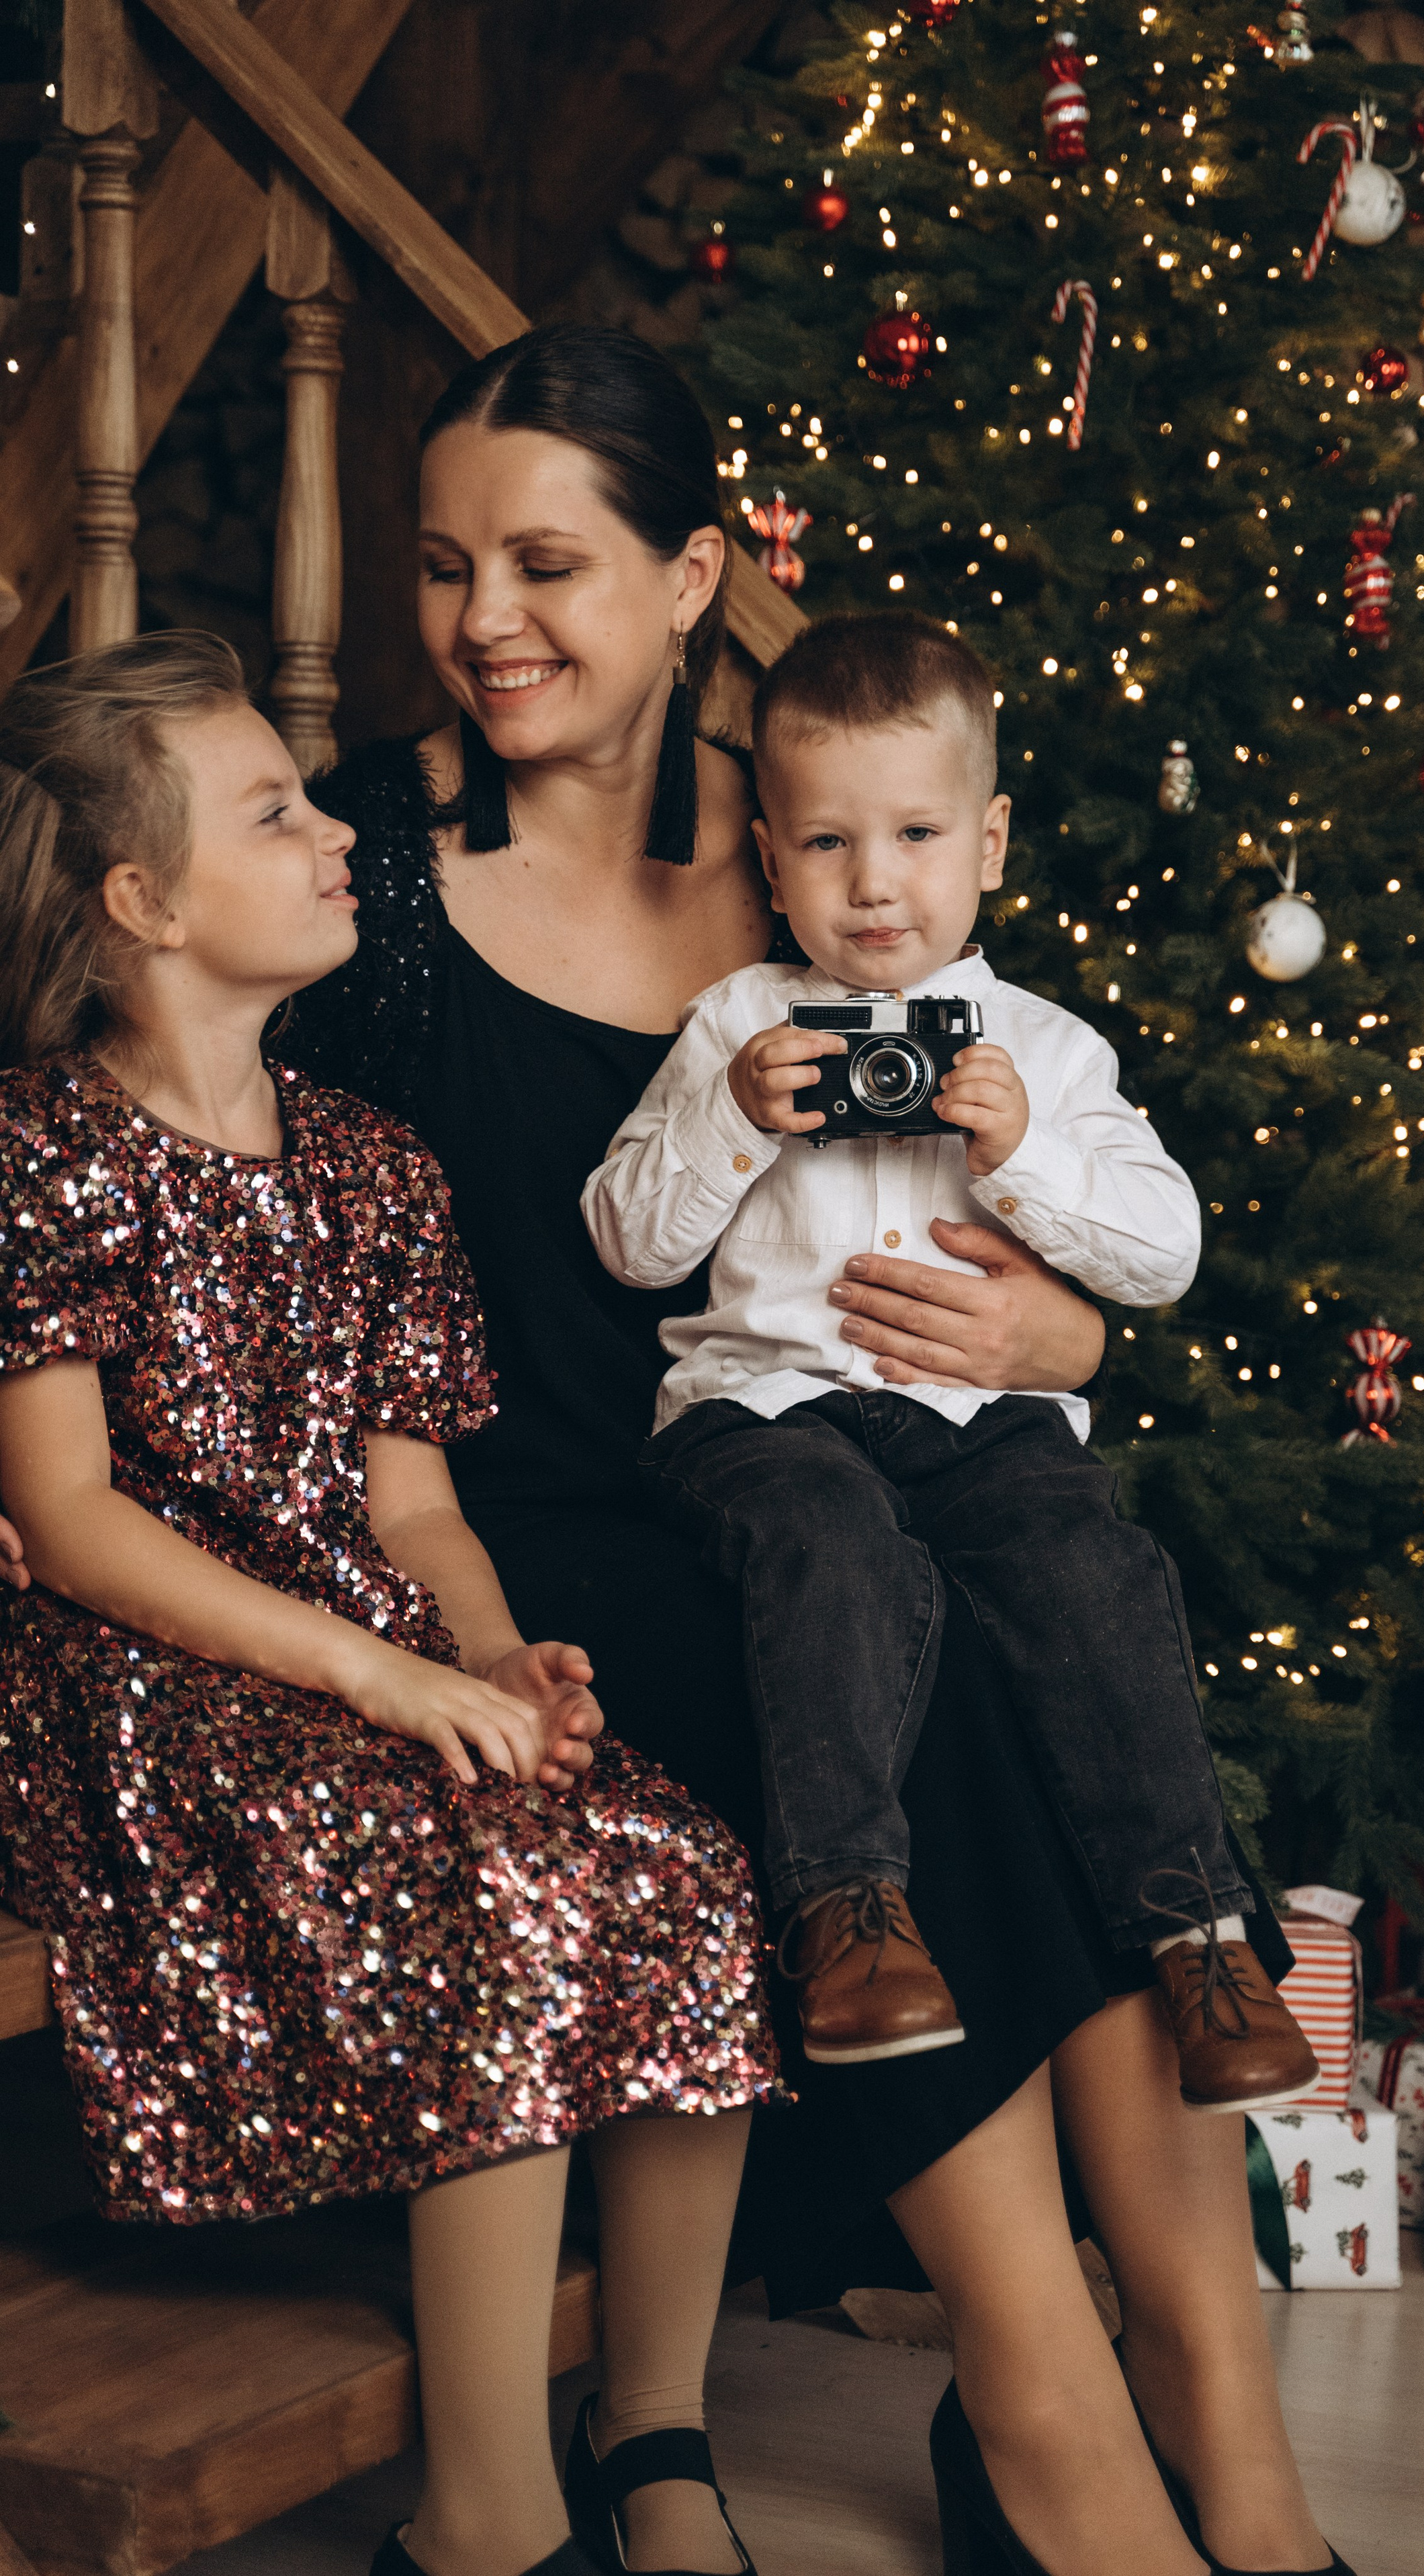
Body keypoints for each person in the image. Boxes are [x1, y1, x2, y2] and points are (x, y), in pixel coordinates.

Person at [271, 322, 1350, 2576]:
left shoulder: (814, 873)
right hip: (526, 1514)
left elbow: (1008, 1191)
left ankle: (1224, 2419)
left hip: (823, 1452)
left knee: (1059, 1635)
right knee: (920, 1673)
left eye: (548, 562)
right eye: (448, 563)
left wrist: (1059, 1320)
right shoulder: (355, 868)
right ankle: (1046, 2412)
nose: (486, 617)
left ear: (685, 584)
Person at [0, 635, 780, 2576]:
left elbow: (415, 1505)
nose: (335, 824)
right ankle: (484, 2513)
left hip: (365, 1653)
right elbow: (74, 1522)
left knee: (676, 1866)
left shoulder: (372, 1165)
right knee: (492, 1898)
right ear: (143, 901)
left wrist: (490, 1656)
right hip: (141, 1678)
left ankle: (654, 2428)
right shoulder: (43, 1149)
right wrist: (371, 1672)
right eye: (275, 808)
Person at [584, 611, 1319, 2119]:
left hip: (980, 1427)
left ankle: (1197, 1934)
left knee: (1093, 1567)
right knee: (825, 1539)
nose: (872, 883)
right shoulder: (735, 1022)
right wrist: (730, 1116)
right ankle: (848, 1917)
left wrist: (1020, 1148)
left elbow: (1164, 1251)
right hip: (764, 1414)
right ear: (771, 862)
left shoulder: (1042, 1050)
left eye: (914, 833)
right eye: (828, 842)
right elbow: (626, 1243)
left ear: (986, 842)